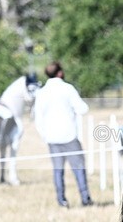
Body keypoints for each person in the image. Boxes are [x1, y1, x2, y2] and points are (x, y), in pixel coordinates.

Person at [34, 61, 93, 208]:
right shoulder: (67, 88)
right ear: (59, 72)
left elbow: (38, 117)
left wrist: (45, 136)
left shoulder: (41, 92)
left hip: (52, 138)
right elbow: (82, 108)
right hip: (69, 135)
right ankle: (85, 198)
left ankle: (61, 200)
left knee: (57, 170)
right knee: (78, 168)